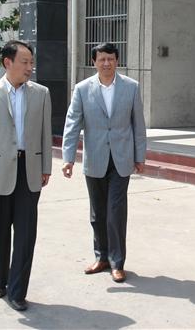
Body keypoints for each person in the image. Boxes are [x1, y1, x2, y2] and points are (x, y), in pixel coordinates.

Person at [0, 41, 52, 311]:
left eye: (31, 62)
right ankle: (0, 280)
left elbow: (45, 133)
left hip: (29, 171)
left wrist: (46, 167)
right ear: (8, 62)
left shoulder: (41, 93)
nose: (30, 67)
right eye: (24, 62)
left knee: (26, 235)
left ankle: (18, 291)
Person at [62, 42, 146, 284]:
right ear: (94, 62)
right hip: (95, 159)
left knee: (115, 212)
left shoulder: (131, 87)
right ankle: (101, 258)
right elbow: (72, 124)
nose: (106, 63)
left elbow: (138, 124)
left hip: (121, 159)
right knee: (97, 213)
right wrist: (68, 157)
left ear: (117, 60)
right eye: (102, 59)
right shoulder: (82, 89)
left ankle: (117, 262)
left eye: (110, 58)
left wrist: (139, 156)